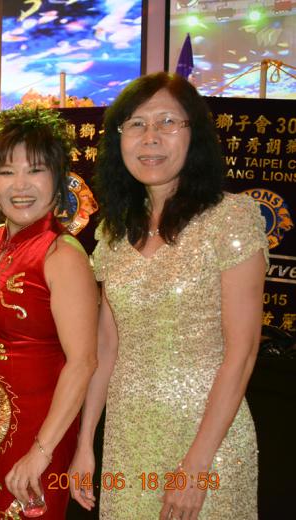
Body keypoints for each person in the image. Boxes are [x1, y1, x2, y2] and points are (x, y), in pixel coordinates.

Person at [69, 72, 267, 519]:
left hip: (208, 442)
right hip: (128, 440)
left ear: (194, 134)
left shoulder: (230, 219)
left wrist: (196, 467)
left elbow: (242, 353)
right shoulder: (115, 232)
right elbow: (107, 347)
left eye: (167, 122)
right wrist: (85, 443)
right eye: (136, 124)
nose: (151, 137)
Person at [0, 105, 98, 519]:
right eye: (7, 172)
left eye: (35, 170)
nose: (20, 185)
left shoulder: (62, 254)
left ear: (58, 179)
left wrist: (41, 452)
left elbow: (83, 362)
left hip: (36, 443)